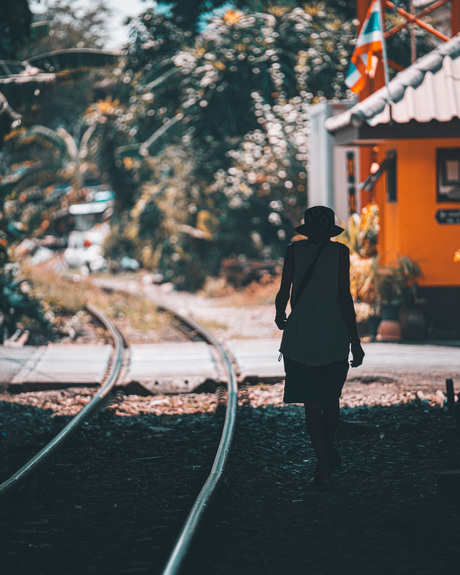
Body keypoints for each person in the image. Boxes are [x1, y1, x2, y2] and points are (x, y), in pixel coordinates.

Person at [275, 205, 365, 488]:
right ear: (329, 232)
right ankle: (326, 456)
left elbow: (283, 292)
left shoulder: (293, 251)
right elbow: (344, 297)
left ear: (307, 229)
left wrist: (281, 316)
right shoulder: (340, 253)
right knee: (331, 401)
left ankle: (324, 466)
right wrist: (355, 340)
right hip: (334, 336)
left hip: (300, 338)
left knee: (312, 406)